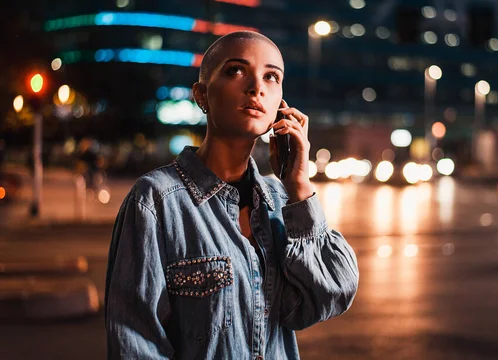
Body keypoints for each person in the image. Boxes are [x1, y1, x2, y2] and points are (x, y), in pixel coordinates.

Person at [105, 31, 359, 359]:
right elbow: (134, 343)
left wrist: (299, 186)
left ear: (280, 103)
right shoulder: (155, 201)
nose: (257, 87)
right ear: (202, 96)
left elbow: (329, 297)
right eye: (235, 70)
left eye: (271, 76)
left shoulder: (281, 201)